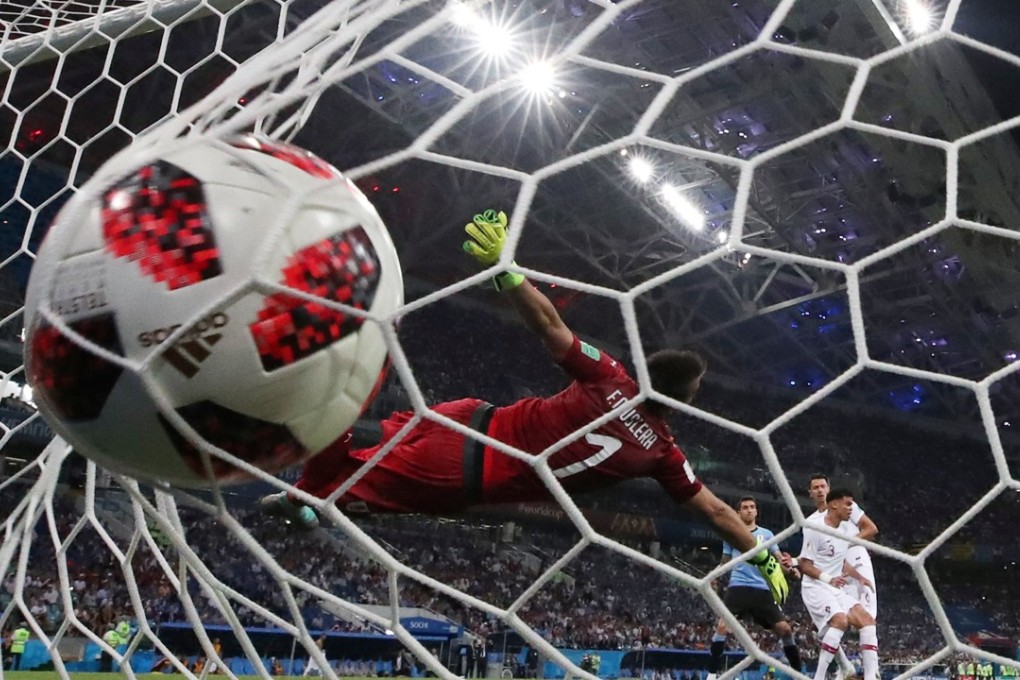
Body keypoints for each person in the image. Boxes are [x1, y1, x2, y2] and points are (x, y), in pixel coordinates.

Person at [261, 209, 788, 604]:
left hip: (464, 415)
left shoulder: (609, 375)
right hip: (463, 469)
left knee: (351, 453)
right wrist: (761, 554)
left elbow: (549, 325)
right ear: (686, 401)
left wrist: (507, 271)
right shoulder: (662, 454)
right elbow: (716, 511)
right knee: (348, 493)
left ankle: (303, 459)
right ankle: (305, 409)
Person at [705, 497, 801, 680]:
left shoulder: (767, 534)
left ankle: (798, 674)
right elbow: (725, 562)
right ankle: (712, 674)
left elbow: (779, 560)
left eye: (752, 507)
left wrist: (791, 572)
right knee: (722, 627)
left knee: (785, 630)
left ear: (756, 511)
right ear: (738, 512)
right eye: (745, 507)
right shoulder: (731, 533)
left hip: (763, 590)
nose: (749, 510)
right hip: (738, 587)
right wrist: (712, 576)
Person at [794, 488, 878, 680]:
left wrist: (859, 577)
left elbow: (840, 561)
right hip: (815, 587)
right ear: (834, 504)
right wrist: (828, 578)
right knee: (840, 621)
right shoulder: (815, 528)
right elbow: (805, 564)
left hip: (834, 588)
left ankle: (871, 677)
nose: (851, 509)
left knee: (867, 621)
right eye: (847, 504)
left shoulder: (844, 532)